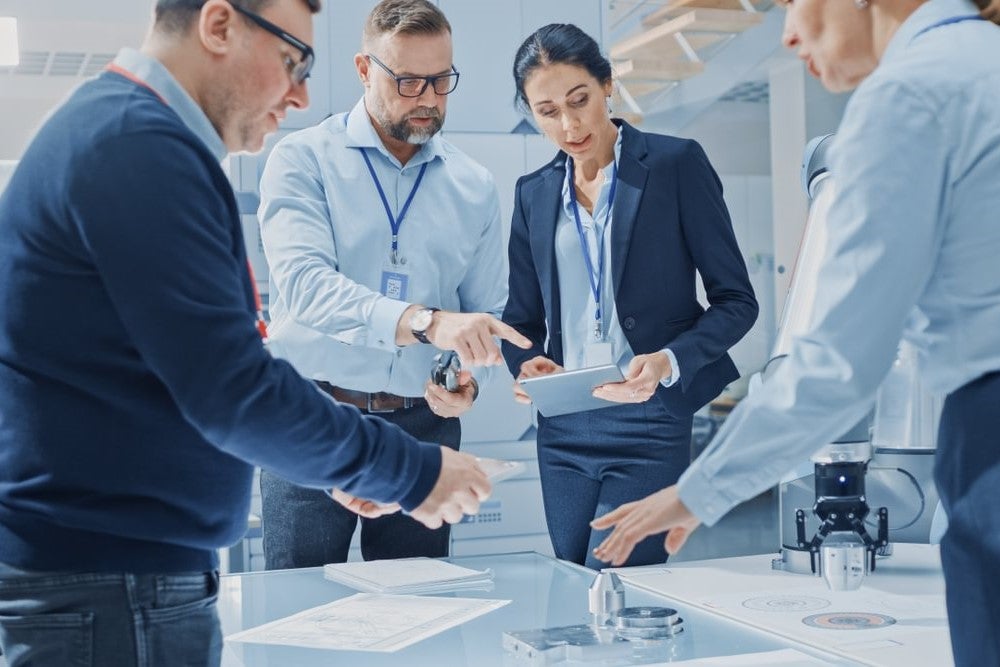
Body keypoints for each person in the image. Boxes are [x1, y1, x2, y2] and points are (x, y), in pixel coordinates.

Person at [0, 0, 494, 664]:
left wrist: (334, 461)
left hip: (119, 575)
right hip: (112, 583)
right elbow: (230, 387)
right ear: (219, 25)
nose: (300, 94)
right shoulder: (138, 146)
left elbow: (190, 375)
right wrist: (407, 469)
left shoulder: (132, 134)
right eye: (292, 61)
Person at [591, 1, 1000, 664]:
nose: (785, 32)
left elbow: (837, 366)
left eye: (795, 2)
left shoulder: (908, 95)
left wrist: (698, 491)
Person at [256, 0, 529, 569]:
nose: (428, 98)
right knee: (298, 615)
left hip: (422, 429)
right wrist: (426, 322)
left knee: (420, 608)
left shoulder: (473, 186)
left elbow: (480, 315)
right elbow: (306, 287)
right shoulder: (303, 160)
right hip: (312, 416)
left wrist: (462, 383)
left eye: (441, 80)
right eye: (407, 81)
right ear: (364, 70)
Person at [501, 24, 758, 569]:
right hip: (564, 425)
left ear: (607, 86)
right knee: (572, 579)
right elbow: (520, 320)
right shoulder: (533, 194)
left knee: (619, 584)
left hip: (649, 419)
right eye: (547, 111)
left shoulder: (675, 165)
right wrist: (525, 366)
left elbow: (737, 300)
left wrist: (669, 360)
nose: (569, 125)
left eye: (579, 100)